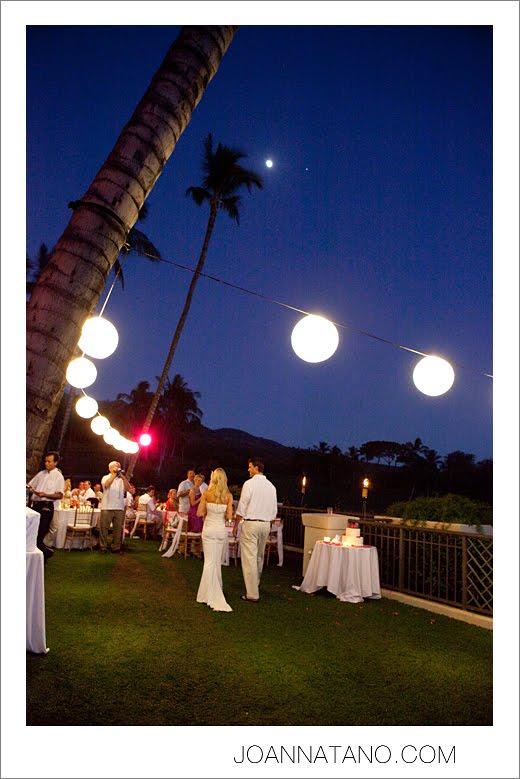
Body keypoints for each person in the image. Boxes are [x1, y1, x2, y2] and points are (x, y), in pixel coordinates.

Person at [233, 457, 278, 602]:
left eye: (250, 467)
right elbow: (274, 509)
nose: (248, 469)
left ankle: (252, 594)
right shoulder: (271, 486)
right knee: (259, 557)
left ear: (257, 468)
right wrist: (268, 523)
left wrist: (236, 524)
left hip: (251, 524)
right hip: (266, 525)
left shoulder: (249, 484)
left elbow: (243, 505)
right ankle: (255, 584)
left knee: (249, 559)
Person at [196, 468, 234, 612]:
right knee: (216, 562)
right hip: (220, 530)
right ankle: (213, 592)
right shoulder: (228, 496)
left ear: (213, 479)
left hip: (209, 529)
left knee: (209, 561)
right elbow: (229, 517)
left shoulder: (206, 494)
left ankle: (206, 594)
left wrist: (207, 510)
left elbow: (199, 512)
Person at [27, 450, 65, 561]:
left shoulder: (58, 476)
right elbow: (30, 485)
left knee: (41, 531)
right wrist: (32, 490)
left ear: (55, 463)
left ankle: (44, 553)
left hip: (47, 506)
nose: (46, 463)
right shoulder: (41, 474)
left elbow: (59, 495)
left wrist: (45, 494)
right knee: (33, 530)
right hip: (36, 504)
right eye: (45, 461)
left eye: (49, 461)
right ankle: (43, 553)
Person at [99, 461, 132, 553]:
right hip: (107, 507)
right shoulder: (106, 477)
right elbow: (106, 485)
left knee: (118, 529)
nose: (117, 468)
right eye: (115, 467)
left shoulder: (121, 479)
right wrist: (113, 475)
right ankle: (103, 546)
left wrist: (121, 476)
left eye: (118, 467)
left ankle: (116, 547)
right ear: (110, 468)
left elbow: (128, 488)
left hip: (119, 507)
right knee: (104, 528)